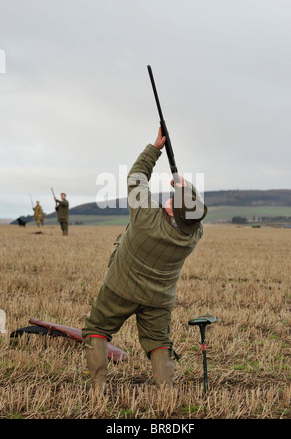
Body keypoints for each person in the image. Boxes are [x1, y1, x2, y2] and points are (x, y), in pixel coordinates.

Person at [82, 127, 207, 391]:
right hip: (159, 299)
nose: (170, 199)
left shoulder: (146, 218)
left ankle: (98, 391)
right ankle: (166, 394)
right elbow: (195, 215)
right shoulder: (192, 235)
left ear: (173, 211)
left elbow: (136, 177)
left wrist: (155, 148)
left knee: (96, 329)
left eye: (174, 200)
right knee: (159, 342)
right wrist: (187, 188)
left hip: (119, 288)